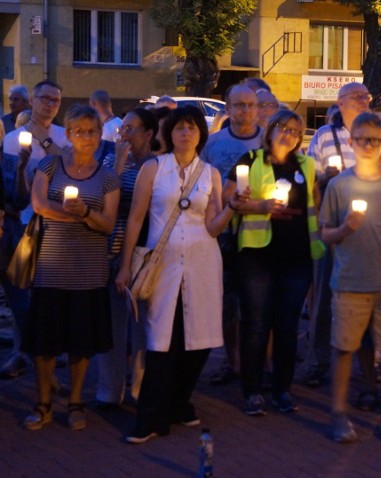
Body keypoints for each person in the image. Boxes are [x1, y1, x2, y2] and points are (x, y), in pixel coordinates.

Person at [117, 107, 240, 443]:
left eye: (192, 128)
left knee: (198, 339)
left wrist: (232, 207)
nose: (186, 134)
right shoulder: (154, 169)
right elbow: (136, 219)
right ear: (169, 133)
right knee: (161, 339)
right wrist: (126, 264)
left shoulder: (211, 174)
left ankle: (179, 403)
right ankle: (151, 417)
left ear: (201, 133)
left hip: (202, 262)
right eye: (180, 128)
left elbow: (213, 227)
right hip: (163, 263)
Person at [319, 112, 381, 443]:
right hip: (348, 282)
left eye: (375, 140)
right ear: (351, 141)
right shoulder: (338, 185)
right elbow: (324, 235)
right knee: (344, 348)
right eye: (361, 139)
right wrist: (344, 228)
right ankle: (338, 413)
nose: (368, 145)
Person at [23, 104, 120, 430]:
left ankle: (76, 401)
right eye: (78, 131)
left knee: (82, 342)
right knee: (44, 343)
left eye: (91, 131)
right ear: (68, 134)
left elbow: (107, 225)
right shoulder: (50, 165)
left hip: (88, 271)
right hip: (51, 267)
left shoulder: (107, 178)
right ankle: (43, 402)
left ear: (98, 134)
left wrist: (86, 215)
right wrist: (77, 216)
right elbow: (39, 205)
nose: (86, 137)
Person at [223, 109, 324, 416]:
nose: (288, 134)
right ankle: (253, 390)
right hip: (257, 255)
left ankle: (282, 389)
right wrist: (262, 205)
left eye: (295, 130)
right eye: (283, 127)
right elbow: (230, 200)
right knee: (256, 323)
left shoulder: (306, 165)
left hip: (296, 256)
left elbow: (315, 203)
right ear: (270, 129)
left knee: (287, 326)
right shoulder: (250, 160)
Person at [304, 82, 372, 390]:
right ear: (340, 102)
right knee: (324, 295)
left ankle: (367, 365)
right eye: (357, 96)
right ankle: (318, 361)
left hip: (368, 228)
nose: (364, 100)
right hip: (331, 224)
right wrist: (323, 177)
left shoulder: (375, 130)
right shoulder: (322, 136)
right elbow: (309, 180)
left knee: (365, 297)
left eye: (366, 97)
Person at [0, 80, 69, 380]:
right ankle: (24, 351)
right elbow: (12, 194)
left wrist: (49, 146)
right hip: (24, 225)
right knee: (20, 289)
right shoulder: (14, 139)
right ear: (32, 99)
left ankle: (47, 350)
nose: (50, 104)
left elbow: (71, 175)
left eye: (55, 100)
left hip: (56, 224)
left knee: (51, 291)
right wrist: (20, 171)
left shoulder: (65, 137)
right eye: (44, 98)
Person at [94, 108, 159, 408]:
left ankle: (141, 389)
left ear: (149, 134)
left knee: (142, 324)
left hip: (143, 253)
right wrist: (118, 167)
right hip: (109, 248)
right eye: (123, 129)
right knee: (110, 323)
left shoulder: (157, 165)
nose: (124, 135)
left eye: (132, 129)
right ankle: (110, 390)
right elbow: (98, 199)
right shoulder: (110, 160)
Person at [200, 84, 263, 387]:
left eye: (250, 105)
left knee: (259, 303)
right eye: (238, 105)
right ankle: (232, 360)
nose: (244, 111)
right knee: (227, 304)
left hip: (259, 234)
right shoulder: (214, 143)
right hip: (223, 233)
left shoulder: (267, 140)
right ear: (227, 108)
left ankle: (259, 362)